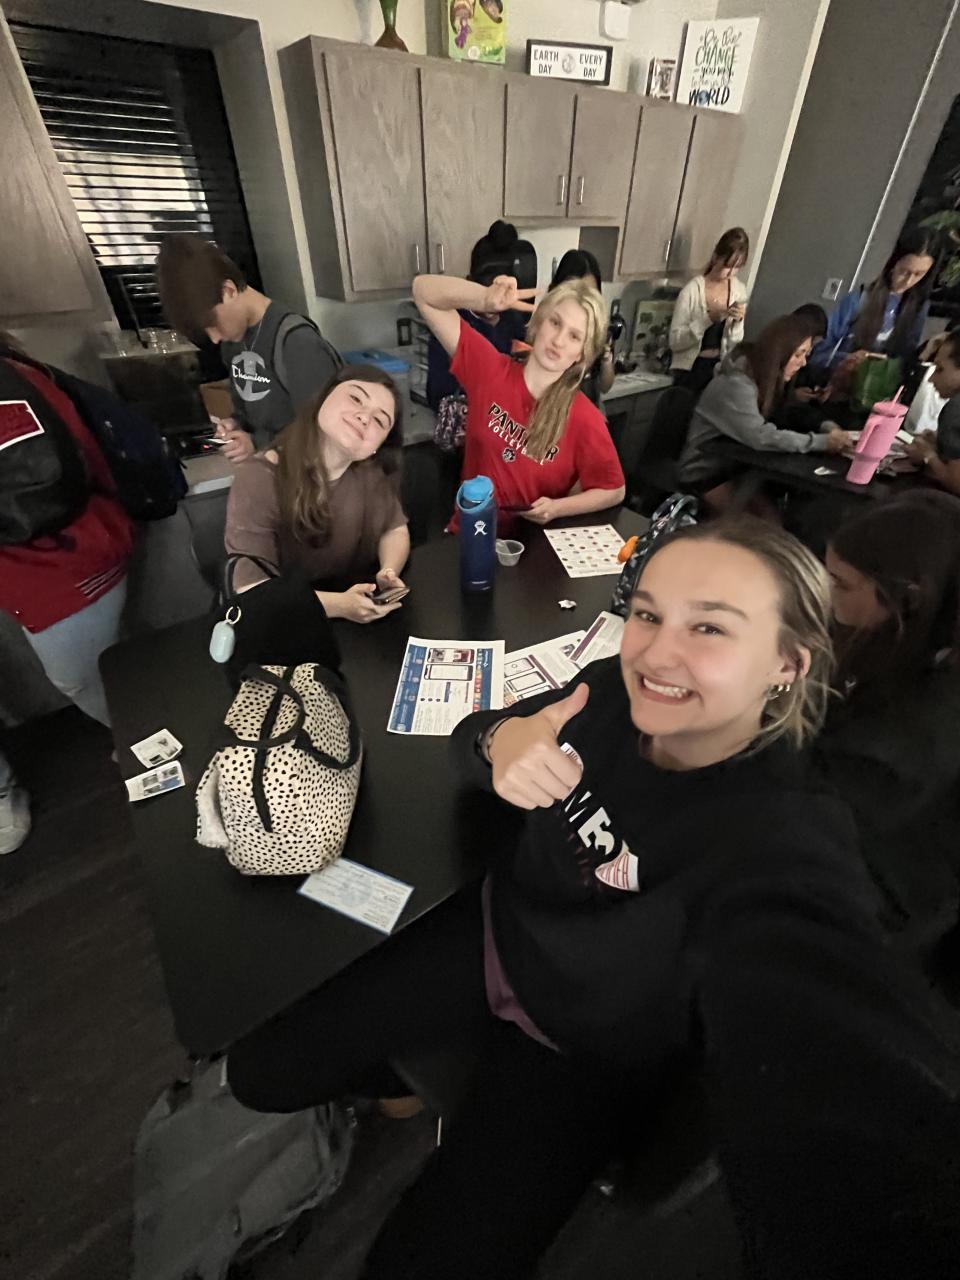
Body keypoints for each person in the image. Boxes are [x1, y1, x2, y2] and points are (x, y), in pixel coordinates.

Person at [227, 519, 960, 1279]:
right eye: (648, 614)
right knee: (262, 1073)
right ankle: (406, 1077)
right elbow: (478, 735)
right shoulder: (610, 688)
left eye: (709, 626)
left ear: (785, 663)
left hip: (582, 1052)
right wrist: (499, 744)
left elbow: (833, 1013)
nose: (658, 653)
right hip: (496, 936)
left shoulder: (782, 828)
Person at [0, 337, 135, 851]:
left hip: (61, 562)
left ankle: (143, 736)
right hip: (47, 563)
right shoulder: (21, 375)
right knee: (106, 665)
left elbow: (66, 475)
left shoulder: (12, 388)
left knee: (80, 677)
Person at [819, 492, 960, 952]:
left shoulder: (908, 734)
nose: (825, 593)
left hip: (867, 907)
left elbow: (809, 807)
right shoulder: (914, 643)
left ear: (907, 599)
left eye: (840, 585)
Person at [412, 273, 625, 529]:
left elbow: (614, 489)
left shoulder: (584, 418)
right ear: (540, 322)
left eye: (574, 336)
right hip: (471, 534)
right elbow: (423, 291)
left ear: (581, 353)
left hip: (530, 544)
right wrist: (484, 298)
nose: (558, 341)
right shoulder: (489, 370)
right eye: (555, 323)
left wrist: (557, 508)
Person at [224, 364, 409, 623]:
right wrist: (340, 605)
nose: (365, 418)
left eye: (380, 421)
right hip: (285, 621)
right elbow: (251, 590)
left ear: (378, 446)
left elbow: (395, 529)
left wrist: (388, 570)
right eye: (356, 398)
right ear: (323, 397)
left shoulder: (370, 472)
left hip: (352, 622)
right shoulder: (259, 478)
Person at [156, 233, 341, 460]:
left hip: (302, 472)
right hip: (270, 468)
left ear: (228, 291)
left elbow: (321, 430)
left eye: (213, 325)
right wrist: (236, 424)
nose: (215, 339)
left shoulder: (297, 341)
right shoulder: (232, 343)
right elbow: (248, 407)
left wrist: (257, 442)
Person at [679, 313, 851, 498]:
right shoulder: (737, 385)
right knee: (760, 514)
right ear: (779, 352)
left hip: (736, 469)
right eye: (798, 354)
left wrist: (828, 427)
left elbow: (791, 409)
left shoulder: (767, 378)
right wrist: (821, 442)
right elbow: (761, 436)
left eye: (806, 354)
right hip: (703, 473)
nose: (803, 363)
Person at [425, 220, 529, 411]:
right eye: (484, 289)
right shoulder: (451, 323)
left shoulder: (513, 322)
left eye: (502, 291)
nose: (494, 300)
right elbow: (437, 395)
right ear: (469, 282)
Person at [810, 226, 937, 380]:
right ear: (893, 264)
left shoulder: (919, 307)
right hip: (839, 381)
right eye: (904, 271)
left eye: (919, 274)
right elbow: (818, 352)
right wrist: (848, 358)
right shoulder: (860, 298)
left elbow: (905, 360)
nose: (908, 281)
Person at [669, 227, 750, 394]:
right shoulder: (692, 291)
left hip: (720, 371)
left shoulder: (739, 291)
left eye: (737, 268)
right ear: (715, 257)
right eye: (727, 266)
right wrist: (707, 320)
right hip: (692, 371)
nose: (731, 273)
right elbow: (675, 342)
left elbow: (735, 342)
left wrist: (737, 323)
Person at [548, 249, 615, 406]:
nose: (583, 300)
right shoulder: (547, 329)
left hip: (589, 411)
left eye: (591, 293)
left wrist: (606, 357)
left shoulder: (596, 331)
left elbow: (605, 386)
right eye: (575, 291)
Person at [904, 329, 960, 494]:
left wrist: (927, 455)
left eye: (940, 369)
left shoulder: (956, 408)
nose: (931, 379)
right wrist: (941, 442)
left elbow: (957, 483)